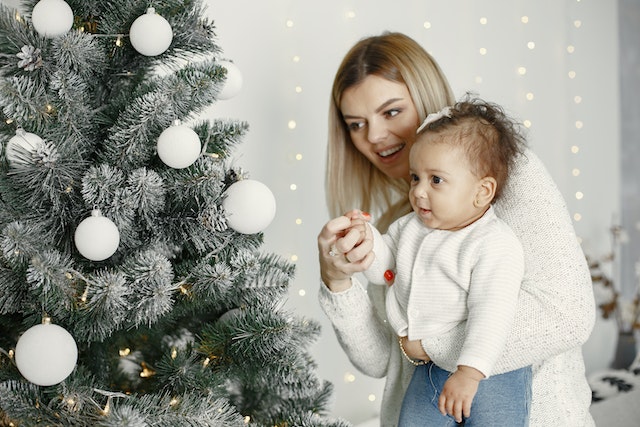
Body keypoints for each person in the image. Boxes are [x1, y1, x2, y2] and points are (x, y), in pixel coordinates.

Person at [316, 32, 595, 426]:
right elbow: (383, 360)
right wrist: (337, 280)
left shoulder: (509, 175)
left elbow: (566, 316)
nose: (374, 136)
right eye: (356, 124)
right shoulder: (406, 224)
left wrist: (431, 346)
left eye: (391, 112)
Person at [356, 97, 530, 425]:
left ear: (482, 192)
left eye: (436, 180)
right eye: (415, 178)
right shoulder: (408, 228)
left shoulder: (494, 243)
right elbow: (383, 270)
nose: (420, 192)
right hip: (431, 368)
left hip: (491, 372)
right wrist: (365, 241)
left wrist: (469, 371)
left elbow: (492, 314)